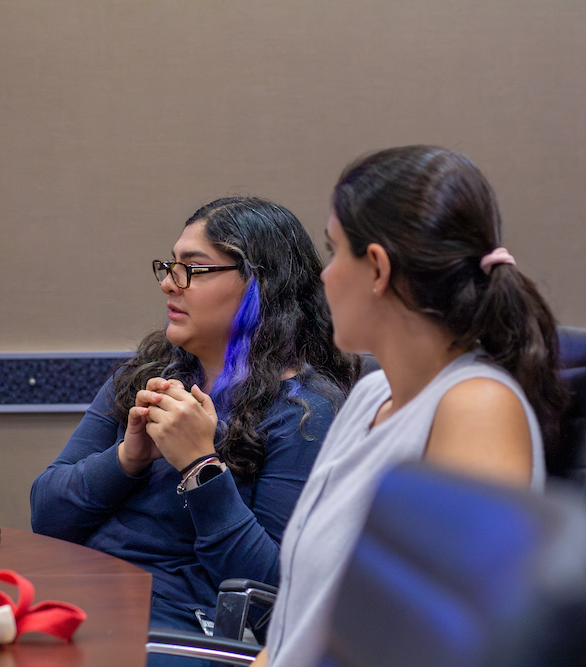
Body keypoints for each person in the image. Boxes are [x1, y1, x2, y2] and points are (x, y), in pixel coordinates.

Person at [253, 146, 571, 667]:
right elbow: (299, 622)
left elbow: (451, 649)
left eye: (334, 252)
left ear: (377, 267)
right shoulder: (369, 395)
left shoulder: (477, 409)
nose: (325, 275)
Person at [30, 197, 358, 652]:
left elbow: (271, 594)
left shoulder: (304, 412)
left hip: (179, 631)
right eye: (168, 266)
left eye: (192, 269)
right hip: (85, 595)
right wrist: (127, 459)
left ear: (258, 284)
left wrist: (200, 466)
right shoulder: (146, 376)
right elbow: (46, 516)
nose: (168, 283)